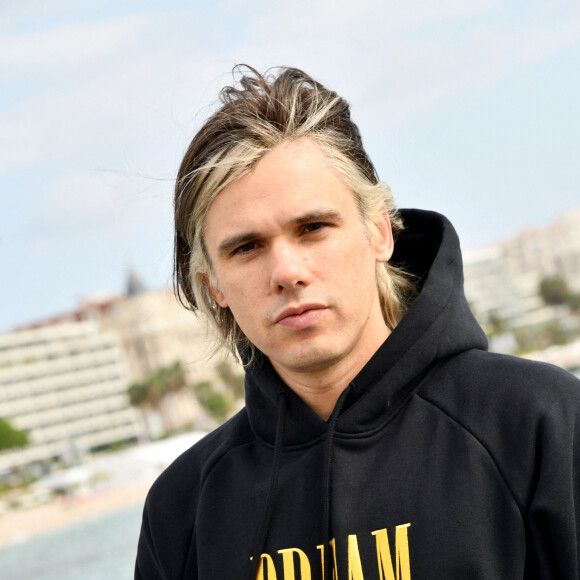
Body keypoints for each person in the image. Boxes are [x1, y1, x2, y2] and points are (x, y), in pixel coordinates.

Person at [135, 66, 580, 580]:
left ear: (379, 232)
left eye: (313, 228)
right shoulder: (183, 510)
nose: (287, 272)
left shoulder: (539, 423)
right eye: (247, 247)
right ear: (214, 286)